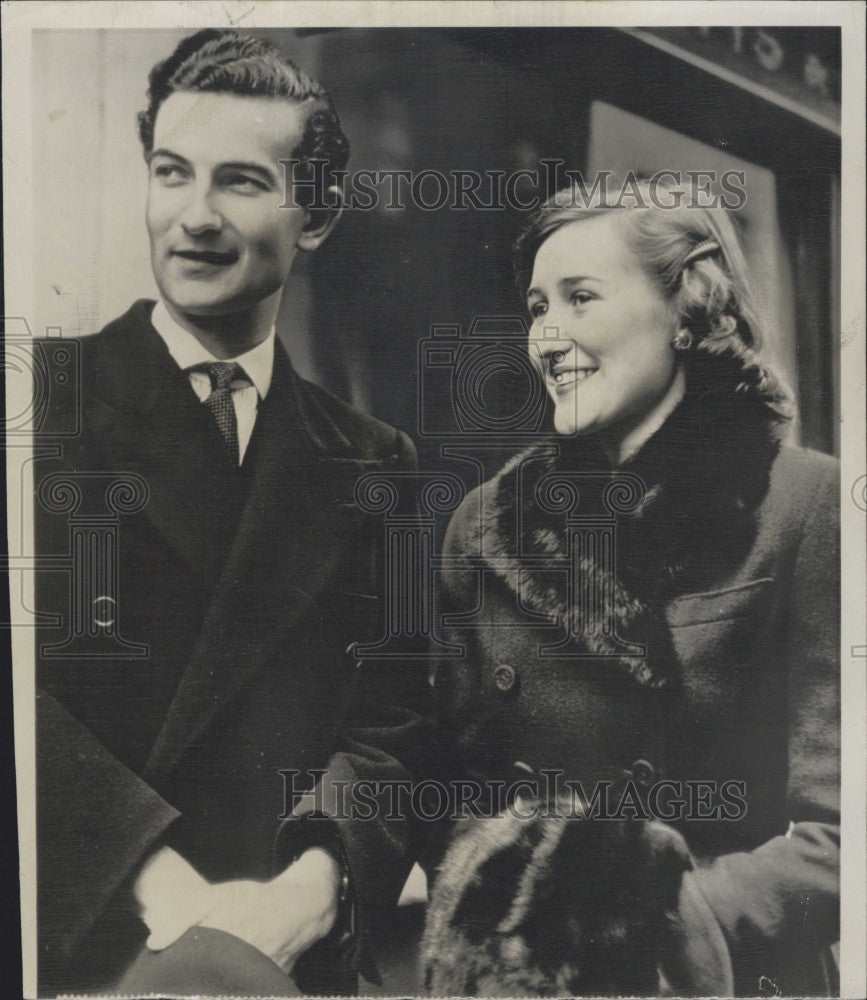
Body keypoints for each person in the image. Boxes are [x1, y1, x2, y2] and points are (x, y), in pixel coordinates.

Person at [34, 29, 429, 996]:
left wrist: (307, 891)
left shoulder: (379, 462)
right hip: (87, 939)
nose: (194, 217)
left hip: (294, 949)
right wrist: (163, 888)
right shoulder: (38, 407)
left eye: (242, 183)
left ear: (317, 216)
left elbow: (403, 724)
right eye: (172, 173)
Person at [426, 177, 839, 996]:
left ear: (689, 310)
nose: (546, 337)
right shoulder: (484, 525)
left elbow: (844, 830)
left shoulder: (802, 504)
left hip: (711, 966)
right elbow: (441, 785)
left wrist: (674, 917)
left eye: (580, 299)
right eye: (538, 308)